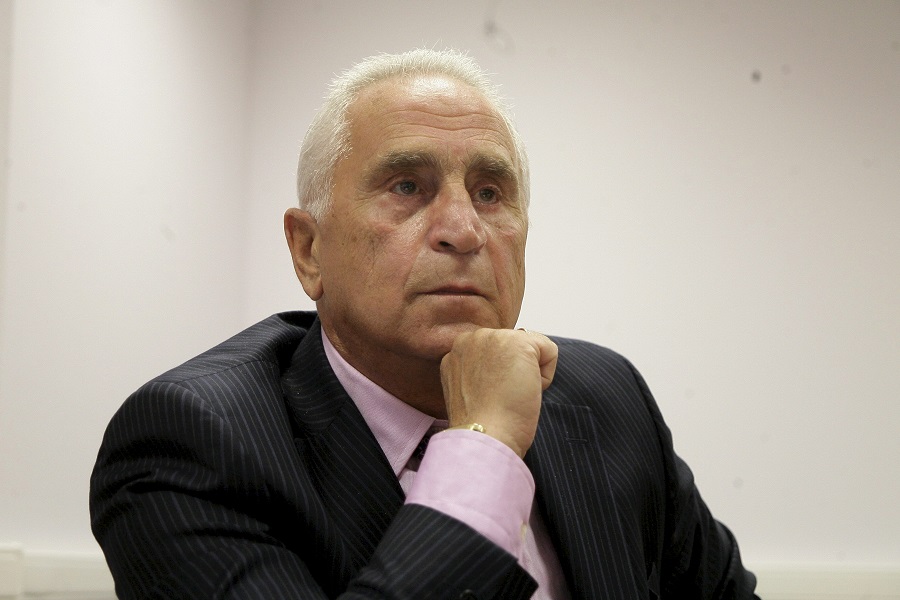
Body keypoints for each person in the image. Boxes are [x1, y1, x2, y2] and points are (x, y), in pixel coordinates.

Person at [90, 49, 759, 599]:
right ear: (309, 250)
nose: (464, 230)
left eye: (490, 193)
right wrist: (484, 448)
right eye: (407, 187)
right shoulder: (190, 443)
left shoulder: (606, 398)